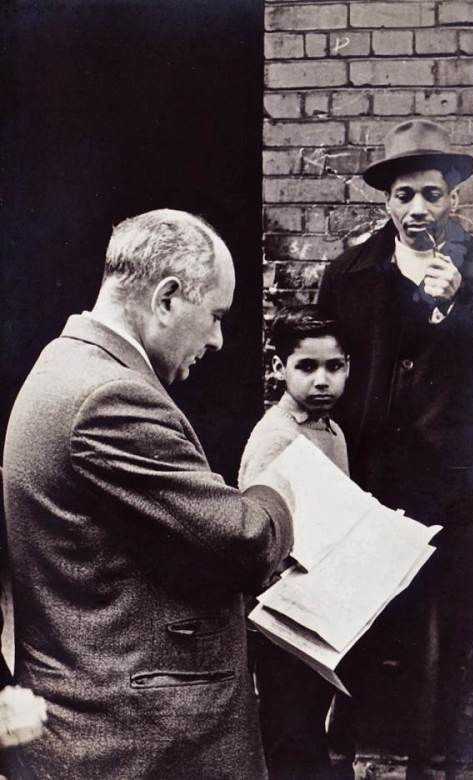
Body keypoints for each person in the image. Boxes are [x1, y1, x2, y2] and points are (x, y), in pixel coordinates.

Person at [2, 209, 294, 780]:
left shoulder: (66, 362)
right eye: (214, 316)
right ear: (166, 298)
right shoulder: (111, 397)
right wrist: (276, 489)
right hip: (136, 738)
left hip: (103, 722)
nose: (217, 339)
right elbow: (246, 538)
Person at [317, 119, 473, 778]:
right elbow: (327, 369)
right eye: (403, 195)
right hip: (372, 482)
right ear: (385, 201)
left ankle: (435, 759)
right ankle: (342, 749)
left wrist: (453, 314)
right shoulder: (350, 273)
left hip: (459, 484)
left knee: (453, 627)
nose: (417, 208)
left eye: (431, 193)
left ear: (454, 197)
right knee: (365, 621)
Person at [239, 305, 350, 780]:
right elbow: (250, 528)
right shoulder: (275, 436)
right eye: (306, 367)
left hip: (324, 606)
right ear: (279, 368)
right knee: (290, 730)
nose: (322, 380)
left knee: (314, 722)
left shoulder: (333, 430)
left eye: (335, 366)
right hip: (283, 613)